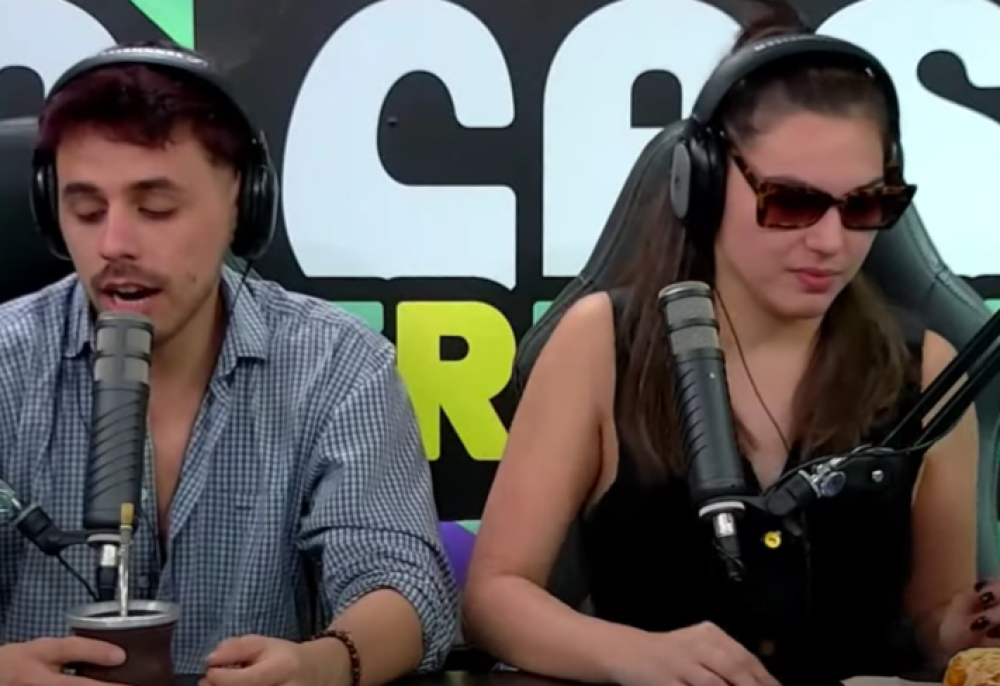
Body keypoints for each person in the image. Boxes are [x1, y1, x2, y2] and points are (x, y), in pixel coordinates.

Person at [463, 9, 992, 686]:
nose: (831, 242)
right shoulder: (601, 343)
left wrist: (961, 629)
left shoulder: (929, 370)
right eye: (793, 202)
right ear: (704, 181)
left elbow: (933, 621)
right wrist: (634, 655)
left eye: (865, 205)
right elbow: (493, 597)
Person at [0, 42, 458, 685]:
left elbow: (403, 584)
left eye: (156, 209)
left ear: (243, 202)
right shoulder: (7, 361)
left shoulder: (337, 366)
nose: (114, 244)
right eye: (86, 210)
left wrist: (323, 664)